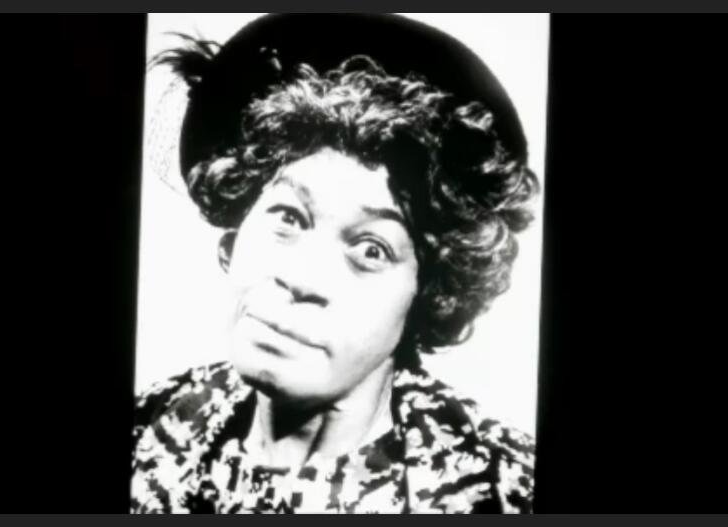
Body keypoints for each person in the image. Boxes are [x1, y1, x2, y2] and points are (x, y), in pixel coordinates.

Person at [131, 14, 540, 514]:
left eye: (371, 249)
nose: (301, 278)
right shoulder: (147, 428)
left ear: (429, 295)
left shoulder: (505, 493)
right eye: (288, 217)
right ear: (237, 232)